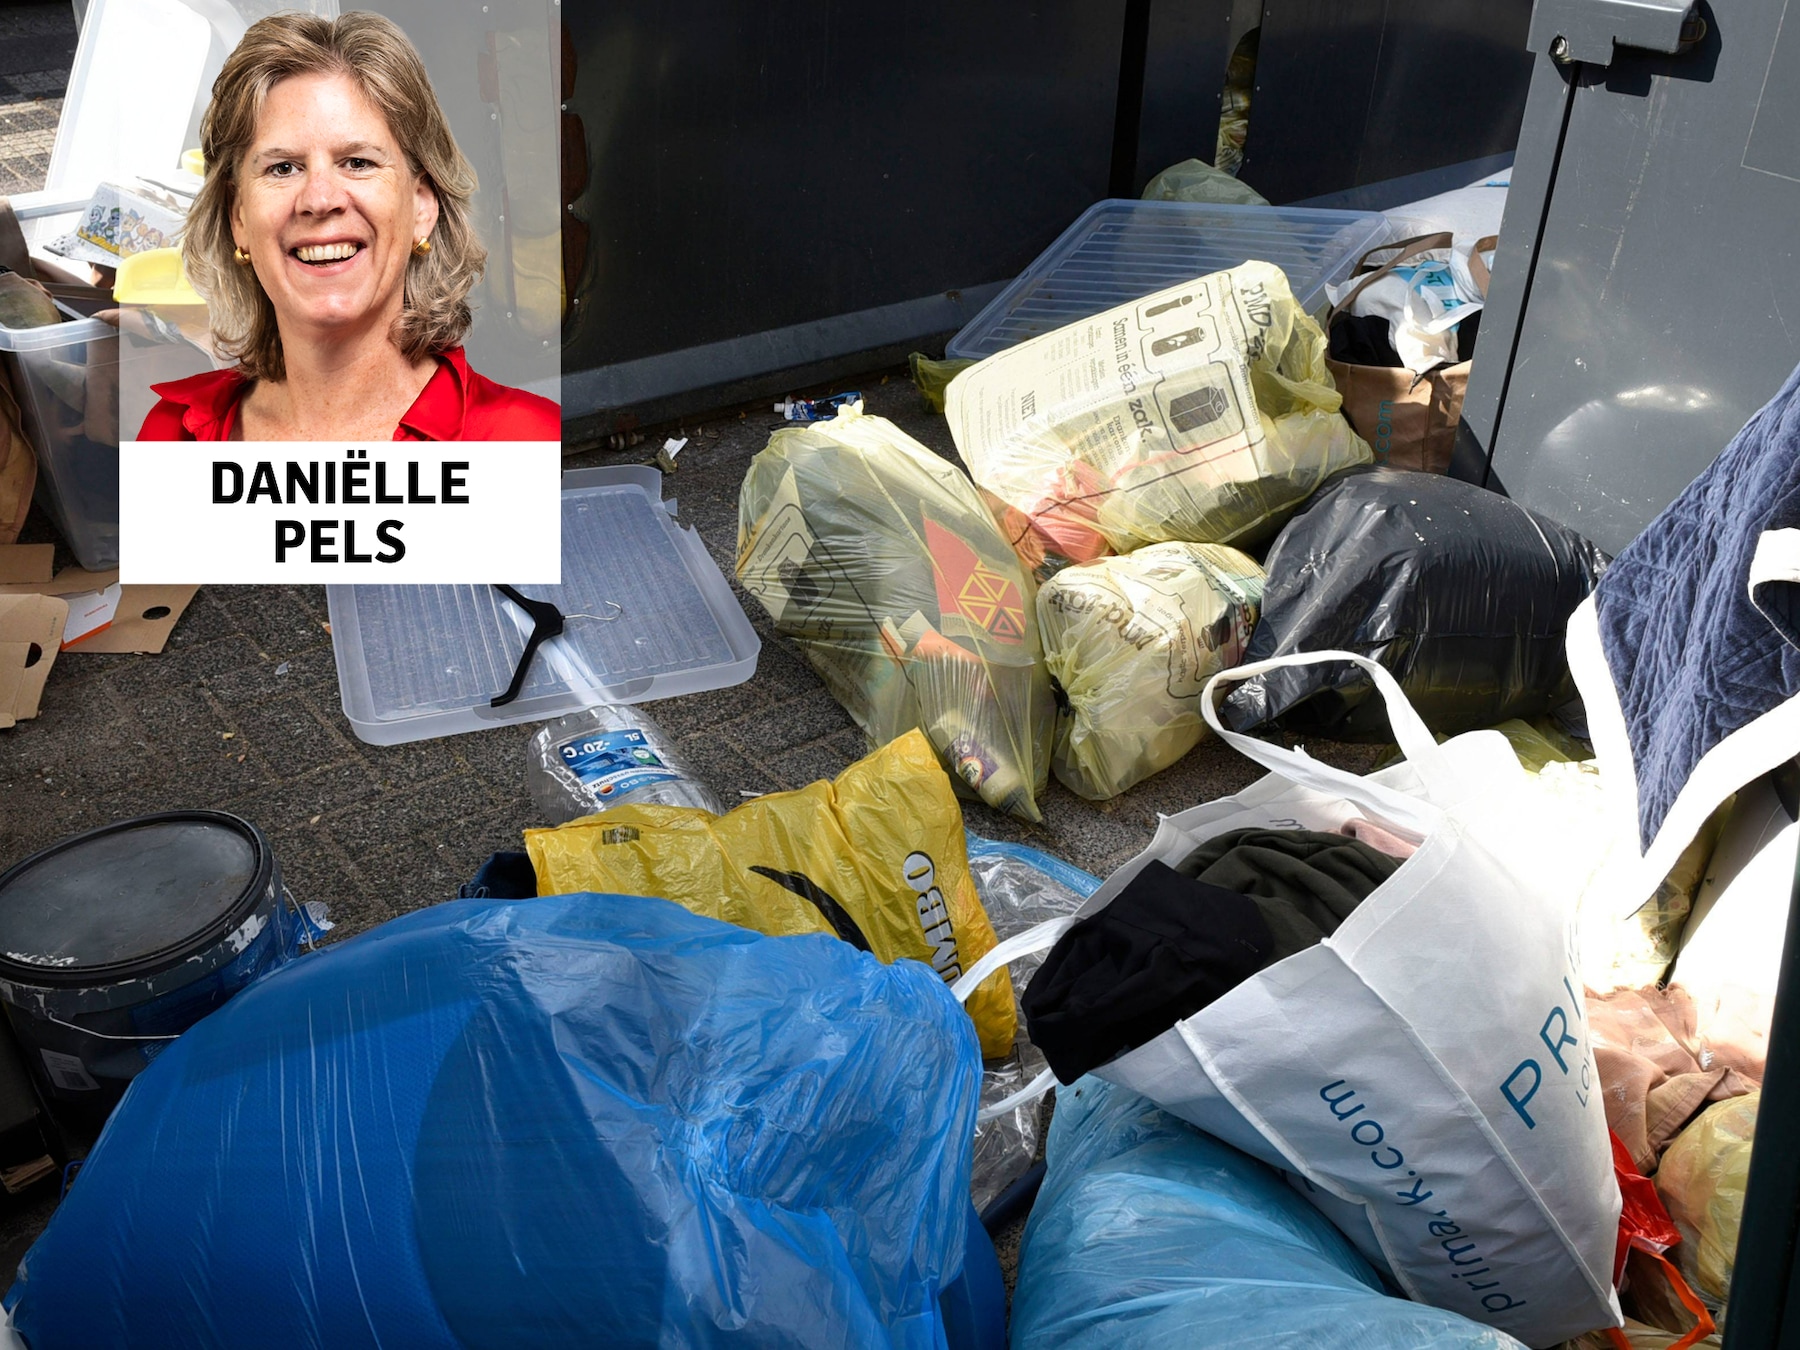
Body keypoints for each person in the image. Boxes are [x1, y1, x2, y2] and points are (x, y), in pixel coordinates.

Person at [138, 12, 558, 441]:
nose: (320, 200)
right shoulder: (172, 437)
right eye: (283, 168)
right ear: (238, 218)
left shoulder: (525, 439)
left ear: (422, 207)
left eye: (358, 162)